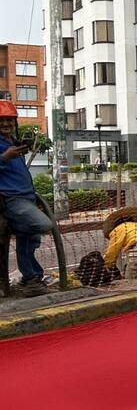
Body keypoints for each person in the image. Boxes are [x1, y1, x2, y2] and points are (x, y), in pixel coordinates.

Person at [0, 101, 53, 296]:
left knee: (30, 240)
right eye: (1, 120)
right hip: (13, 200)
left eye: (9, 120)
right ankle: (30, 277)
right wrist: (4, 157)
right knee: (43, 224)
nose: (5, 124)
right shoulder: (5, 147)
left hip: (27, 198)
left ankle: (31, 279)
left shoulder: (13, 142)